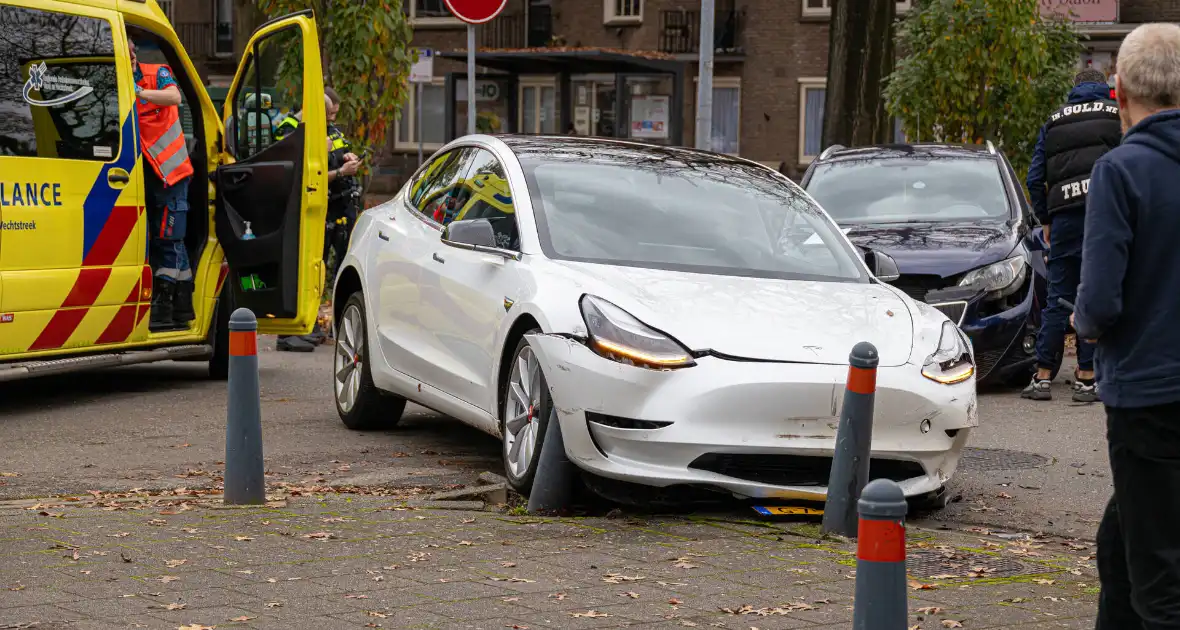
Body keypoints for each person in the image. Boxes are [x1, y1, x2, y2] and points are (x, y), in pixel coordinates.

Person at [1072, 23, 1180, 629]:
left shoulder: (1122, 170)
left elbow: (1101, 303)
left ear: (1120, 92)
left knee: (1158, 581)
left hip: (1150, 396)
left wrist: (1081, 319)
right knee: (1120, 548)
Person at [1021, 68, 1122, 402]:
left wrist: (1046, 218)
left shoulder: (1054, 121)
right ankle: (1087, 378)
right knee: (1096, 289)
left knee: (1058, 295)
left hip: (1064, 218)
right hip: (1105, 215)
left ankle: (1043, 376)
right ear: (1102, 87)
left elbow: (1035, 178)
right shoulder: (1116, 115)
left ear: (1074, 90)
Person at [276, 87, 361, 352]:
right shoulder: (289, 129)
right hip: (307, 208)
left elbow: (341, 149)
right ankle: (296, 327)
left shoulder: (328, 130)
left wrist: (348, 157)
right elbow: (300, 173)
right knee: (309, 268)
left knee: (328, 270)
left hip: (336, 207)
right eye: (328, 116)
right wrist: (326, 160)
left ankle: (314, 324)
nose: (331, 121)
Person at [130, 39, 195, 329]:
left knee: (168, 238)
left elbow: (174, 98)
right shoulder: (118, 83)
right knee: (162, 239)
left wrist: (140, 92)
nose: (130, 54)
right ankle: (181, 305)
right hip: (148, 173)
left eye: (132, 49)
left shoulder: (157, 73)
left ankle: (166, 303)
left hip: (172, 171)